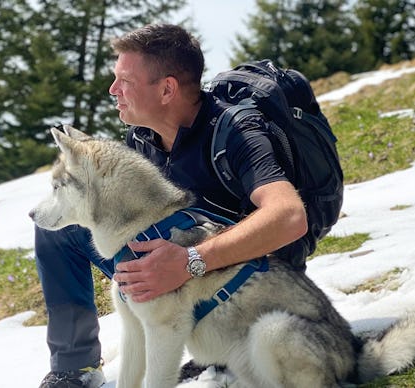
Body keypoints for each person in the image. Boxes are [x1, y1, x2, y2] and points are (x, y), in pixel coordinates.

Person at [35, 23, 308, 388]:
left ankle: (219, 345)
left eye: (124, 81)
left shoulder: (236, 132)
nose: (112, 90)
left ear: (167, 88)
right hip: (176, 268)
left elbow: (289, 217)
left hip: (247, 281)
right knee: (59, 234)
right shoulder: (141, 139)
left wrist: (191, 262)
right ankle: (75, 368)